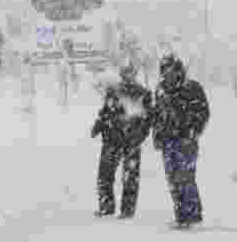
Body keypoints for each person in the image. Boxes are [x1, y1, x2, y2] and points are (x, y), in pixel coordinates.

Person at [151, 54, 210, 228]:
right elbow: (157, 115)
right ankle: (181, 216)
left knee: (186, 177)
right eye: (164, 70)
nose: (167, 74)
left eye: (170, 69)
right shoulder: (160, 90)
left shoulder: (191, 87)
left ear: (178, 70)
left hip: (186, 139)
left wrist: (193, 130)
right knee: (172, 179)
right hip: (167, 141)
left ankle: (193, 216)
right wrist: (157, 134)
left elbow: (204, 112)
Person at [90, 64, 153, 218]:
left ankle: (127, 210)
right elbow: (106, 111)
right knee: (105, 175)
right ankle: (106, 207)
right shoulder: (113, 90)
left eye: (130, 73)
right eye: (125, 73)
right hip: (111, 138)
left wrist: (140, 135)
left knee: (130, 177)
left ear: (134, 74)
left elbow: (148, 118)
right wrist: (98, 126)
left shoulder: (142, 93)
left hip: (131, 141)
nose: (127, 76)